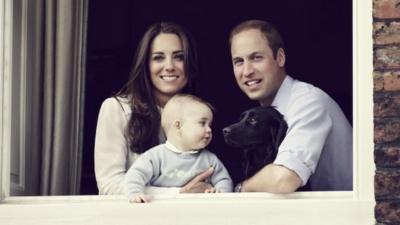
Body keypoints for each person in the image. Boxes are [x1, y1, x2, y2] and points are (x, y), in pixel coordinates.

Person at [229, 20, 352, 193]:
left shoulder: (308, 102)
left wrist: (241, 189)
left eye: (256, 57)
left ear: (280, 58)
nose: (247, 71)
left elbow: (283, 179)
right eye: (238, 61)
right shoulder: (267, 115)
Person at [94, 22, 214, 195]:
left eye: (179, 57)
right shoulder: (116, 109)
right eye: (158, 57)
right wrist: (179, 193)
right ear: (145, 65)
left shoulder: (200, 113)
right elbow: (109, 185)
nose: (170, 66)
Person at [125, 94, 233, 203]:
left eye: (209, 125)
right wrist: (135, 193)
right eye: (202, 123)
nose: (209, 129)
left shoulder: (210, 159)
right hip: (163, 210)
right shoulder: (155, 156)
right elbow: (135, 174)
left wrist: (220, 194)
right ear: (178, 126)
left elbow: (224, 180)